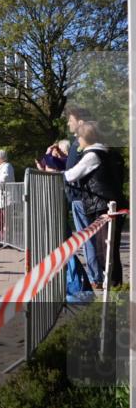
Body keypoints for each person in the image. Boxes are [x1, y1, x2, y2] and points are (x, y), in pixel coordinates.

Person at [64, 122, 126, 288]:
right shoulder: (109, 153)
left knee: (105, 249)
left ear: (86, 137)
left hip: (101, 205)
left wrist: (60, 174)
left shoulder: (92, 155)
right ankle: (114, 285)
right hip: (110, 203)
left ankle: (112, 287)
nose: (77, 140)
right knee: (110, 248)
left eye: (79, 136)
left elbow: (71, 175)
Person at [64, 107, 100, 289]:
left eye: (70, 120)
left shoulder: (84, 144)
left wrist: (62, 175)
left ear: (80, 122)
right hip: (79, 198)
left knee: (87, 238)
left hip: (81, 198)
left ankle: (95, 277)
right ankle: (96, 275)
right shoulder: (78, 143)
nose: (68, 123)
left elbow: (74, 172)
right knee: (88, 239)